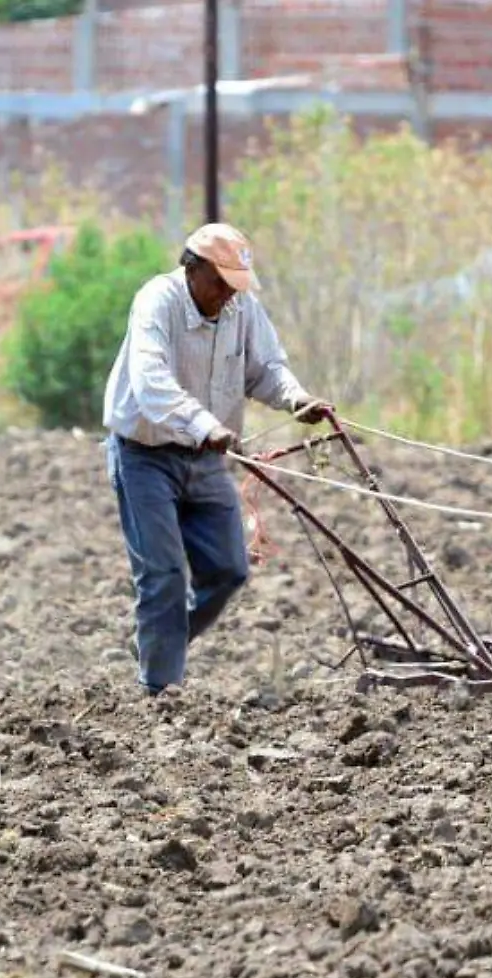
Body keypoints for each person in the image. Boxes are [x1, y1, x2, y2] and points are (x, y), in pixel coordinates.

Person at [101, 222, 332, 696]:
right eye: (220, 283)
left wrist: (296, 399)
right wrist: (205, 425)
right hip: (145, 456)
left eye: (235, 286)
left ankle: (158, 642)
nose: (227, 295)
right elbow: (151, 383)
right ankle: (159, 692)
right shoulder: (156, 302)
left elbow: (265, 368)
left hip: (205, 459)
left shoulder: (241, 307)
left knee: (229, 569)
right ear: (193, 268)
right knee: (163, 575)